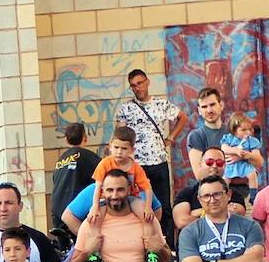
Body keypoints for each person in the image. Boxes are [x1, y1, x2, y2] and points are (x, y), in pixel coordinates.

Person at [69, 169, 171, 262]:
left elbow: (166, 259)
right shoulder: (91, 223)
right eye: (109, 190)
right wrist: (87, 252)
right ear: (102, 192)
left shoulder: (147, 220)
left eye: (120, 190)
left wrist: (159, 249)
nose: (114, 195)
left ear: (129, 190)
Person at [116, 70, 185, 229]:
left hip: (158, 161)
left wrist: (171, 137)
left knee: (163, 205)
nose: (137, 88)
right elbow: (120, 134)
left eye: (140, 83)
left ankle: (167, 245)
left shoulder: (161, 104)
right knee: (136, 203)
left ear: (147, 82)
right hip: (136, 164)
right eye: (133, 86)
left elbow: (182, 117)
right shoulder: (126, 108)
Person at [88, 127, 155, 222]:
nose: (119, 152)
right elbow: (98, 187)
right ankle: (95, 235)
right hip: (107, 198)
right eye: (116, 147)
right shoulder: (104, 164)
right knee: (95, 216)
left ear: (132, 150)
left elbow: (147, 189)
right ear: (110, 146)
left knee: (143, 213)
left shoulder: (136, 168)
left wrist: (148, 207)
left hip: (130, 198)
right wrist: (95, 206)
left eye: (124, 148)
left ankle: (147, 235)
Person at [49, 123, 100, 227]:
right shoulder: (89, 157)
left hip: (57, 213)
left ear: (66, 140)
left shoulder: (60, 161)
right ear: (85, 138)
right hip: (76, 213)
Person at [187, 87, 229, 179]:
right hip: (212, 191)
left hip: (241, 191)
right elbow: (200, 175)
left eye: (212, 104)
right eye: (204, 107)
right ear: (199, 110)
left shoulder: (233, 132)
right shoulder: (196, 136)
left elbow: (253, 166)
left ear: (221, 105)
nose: (209, 110)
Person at [220, 113, 263, 199]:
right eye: (243, 130)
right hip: (231, 165)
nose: (248, 132)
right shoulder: (229, 138)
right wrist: (236, 151)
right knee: (225, 179)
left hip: (245, 164)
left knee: (252, 175)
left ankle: (253, 195)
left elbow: (257, 156)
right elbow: (224, 148)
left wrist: (247, 155)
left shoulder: (251, 140)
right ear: (234, 130)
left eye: (250, 129)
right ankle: (223, 195)